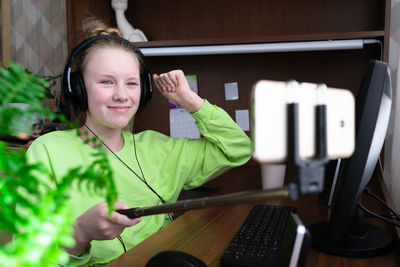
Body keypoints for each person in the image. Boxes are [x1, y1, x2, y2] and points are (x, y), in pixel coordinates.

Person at [27, 17, 252, 266]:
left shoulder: (159, 148)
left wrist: (188, 99)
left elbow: (238, 148)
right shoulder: (48, 150)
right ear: (78, 88)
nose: (122, 95)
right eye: (106, 81)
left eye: (131, 83)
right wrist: (80, 233)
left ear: (143, 91)